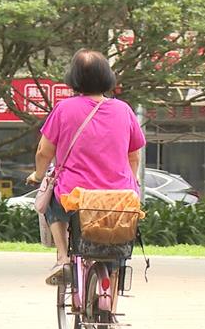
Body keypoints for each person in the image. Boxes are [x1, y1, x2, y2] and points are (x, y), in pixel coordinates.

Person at [26, 49, 145, 287]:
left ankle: (63, 259)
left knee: (49, 200)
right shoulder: (124, 110)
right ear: (107, 77)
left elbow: (43, 152)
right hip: (119, 196)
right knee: (114, 250)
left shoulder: (64, 109)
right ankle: (108, 312)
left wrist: (39, 175)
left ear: (74, 78)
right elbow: (134, 156)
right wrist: (130, 183)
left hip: (75, 194)